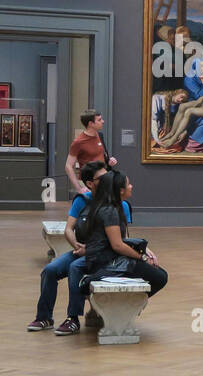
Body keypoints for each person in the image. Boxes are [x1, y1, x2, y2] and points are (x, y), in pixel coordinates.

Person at [26, 160, 122, 335]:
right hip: (82, 251)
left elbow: (120, 239)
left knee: (74, 268)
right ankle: (44, 317)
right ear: (90, 184)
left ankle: (73, 319)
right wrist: (76, 245)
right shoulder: (82, 201)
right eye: (102, 177)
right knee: (50, 270)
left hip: (102, 254)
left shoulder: (118, 202)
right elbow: (68, 229)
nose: (108, 179)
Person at [80, 170, 167, 300]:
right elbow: (118, 245)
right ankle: (127, 303)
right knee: (160, 277)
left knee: (160, 274)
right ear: (120, 190)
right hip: (106, 262)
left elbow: (121, 240)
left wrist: (145, 250)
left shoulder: (112, 207)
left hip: (107, 257)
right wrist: (142, 257)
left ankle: (127, 303)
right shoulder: (110, 211)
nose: (131, 186)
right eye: (128, 184)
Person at [66, 109, 116, 198]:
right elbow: (68, 166)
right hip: (89, 183)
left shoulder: (99, 135)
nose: (103, 121)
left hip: (104, 180)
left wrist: (109, 162)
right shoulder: (78, 142)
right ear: (90, 124)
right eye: (99, 120)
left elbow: (101, 157)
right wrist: (79, 188)